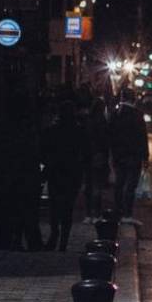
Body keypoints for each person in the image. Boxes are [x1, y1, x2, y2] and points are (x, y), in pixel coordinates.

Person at [0, 92, 44, 251]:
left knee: (10, 207)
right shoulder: (26, 128)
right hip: (20, 173)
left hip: (13, 173)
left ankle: (11, 238)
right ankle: (23, 240)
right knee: (24, 209)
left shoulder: (5, 127)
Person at [42, 98, 87, 251]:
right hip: (72, 173)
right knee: (67, 208)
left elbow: (44, 151)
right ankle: (63, 242)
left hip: (56, 171)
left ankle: (55, 235)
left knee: (55, 206)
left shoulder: (53, 131)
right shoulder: (79, 131)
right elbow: (85, 153)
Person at [109, 87, 149, 220]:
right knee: (130, 185)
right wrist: (145, 156)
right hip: (134, 154)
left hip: (119, 154)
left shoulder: (116, 114)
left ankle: (118, 210)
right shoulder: (137, 114)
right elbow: (142, 136)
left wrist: (112, 153)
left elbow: (110, 135)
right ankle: (127, 213)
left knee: (119, 183)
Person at [84, 98, 111, 220]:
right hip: (98, 155)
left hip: (87, 156)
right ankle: (96, 213)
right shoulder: (102, 122)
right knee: (96, 186)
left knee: (89, 185)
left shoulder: (88, 122)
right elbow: (105, 141)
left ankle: (88, 213)